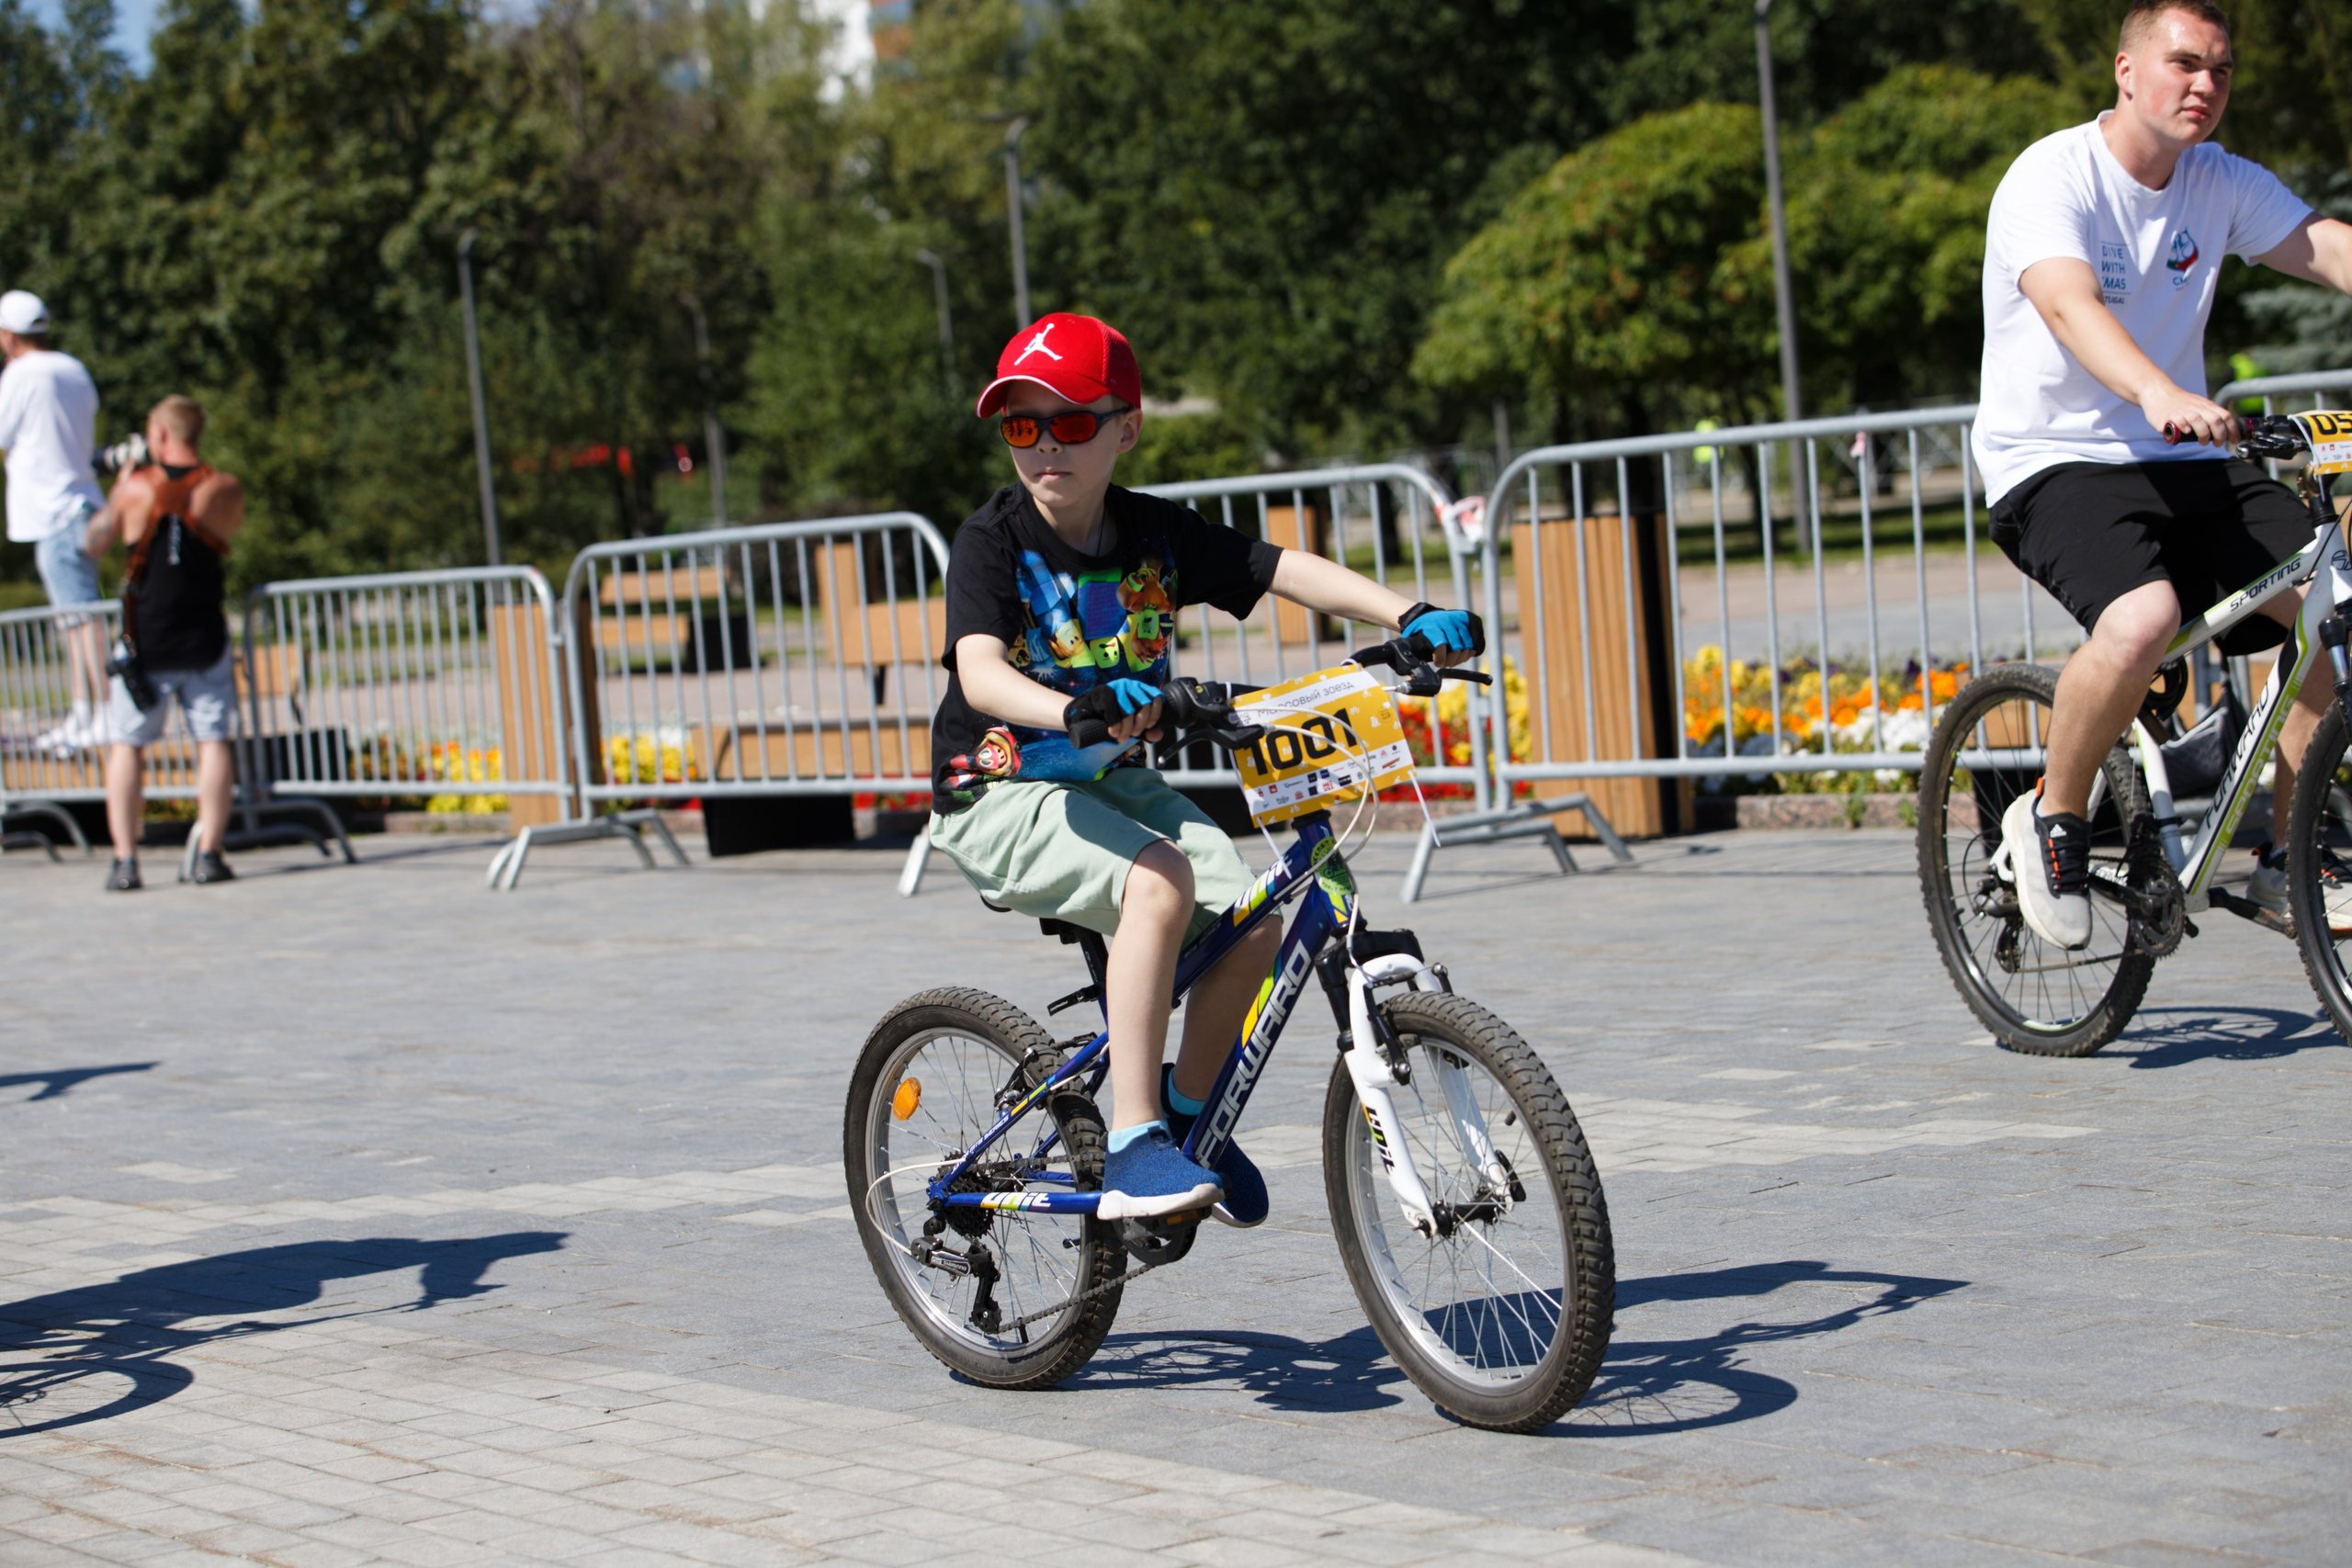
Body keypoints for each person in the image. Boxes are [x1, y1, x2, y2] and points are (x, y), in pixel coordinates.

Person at [926, 311, 1481, 1221]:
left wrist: (1406, 614)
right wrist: (1071, 706)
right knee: (1161, 883)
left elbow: (1278, 569)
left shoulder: (1153, 535)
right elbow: (981, 672)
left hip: (1103, 771)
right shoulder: (993, 541)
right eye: (1020, 426)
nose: (1042, 448)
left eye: (1068, 422)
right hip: (999, 783)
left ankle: (1190, 1122)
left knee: (1252, 918)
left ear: (1125, 427)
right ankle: (1135, 1140)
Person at [1973, 0, 2352, 948]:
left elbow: (2326, 247)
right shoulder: (2050, 176)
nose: (2204, 86)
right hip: (2053, 459)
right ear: (2125, 70)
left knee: (2321, 605)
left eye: (2220, 71)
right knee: (2140, 620)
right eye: (2184, 63)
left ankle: (2292, 855)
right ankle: (2050, 818)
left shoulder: (2217, 181)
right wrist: (2152, 389)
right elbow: (2066, 304)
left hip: (2179, 456)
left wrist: (2170, 411)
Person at [83, 396, 246, 891]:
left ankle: (126, 860)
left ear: (158, 435)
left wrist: (118, 491)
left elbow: (93, 543)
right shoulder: (224, 488)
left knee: (128, 746)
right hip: (203, 634)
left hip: (145, 637)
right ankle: (209, 854)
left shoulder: (135, 489)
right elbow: (227, 535)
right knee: (212, 739)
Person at [0, 289, 108, 751]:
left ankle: (103, 712)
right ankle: (85, 712)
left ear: (8, 336)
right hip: (80, 500)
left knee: (81, 617)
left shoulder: (22, 374)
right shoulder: (72, 368)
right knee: (76, 615)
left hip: (52, 510)